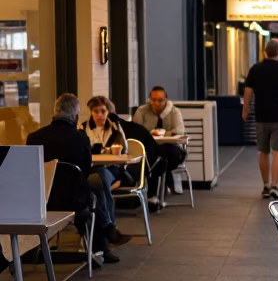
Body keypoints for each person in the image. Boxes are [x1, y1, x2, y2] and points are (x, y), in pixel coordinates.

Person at [27, 93, 130, 261]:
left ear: (54, 112)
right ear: (75, 115)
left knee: (93, 189)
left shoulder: (33, 138)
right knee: (93, 191)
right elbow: (84, 171)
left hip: (40, 200)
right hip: (72, 200)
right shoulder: (80, 139)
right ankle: (102, 243)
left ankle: (104, 242)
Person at [243, 40, 278, 198]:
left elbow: (248, 91)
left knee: (263, 151)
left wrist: (245, 110)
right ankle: (274, 184)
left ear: (265, 52)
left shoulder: (256, 69)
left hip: (261, 116)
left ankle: (265, 186)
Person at [79, 95, 133, 237]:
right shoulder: (83, 128)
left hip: (112, 169)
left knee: (100, 178)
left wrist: (118, 126)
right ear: (91, 112)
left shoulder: (115, 128)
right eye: (95, 111)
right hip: (92, 168)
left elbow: (124, 150)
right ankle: (108, 229)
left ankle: (106, 228)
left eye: (103, 111)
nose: (99, 115)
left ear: (109, 112)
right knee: (97, 181)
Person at [133, 87, 186, 197]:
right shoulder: (142, 111)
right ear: (149, 99)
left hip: (172, 148)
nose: (157, 103)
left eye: (160, 100)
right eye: (153, 100)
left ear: (166, 99)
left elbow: (179, 130)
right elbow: (136, 130)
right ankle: (166, 183)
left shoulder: (174, 111)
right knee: (157, 158)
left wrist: (163, 133)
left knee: (161, 157)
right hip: (150, 149)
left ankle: (153, 195)